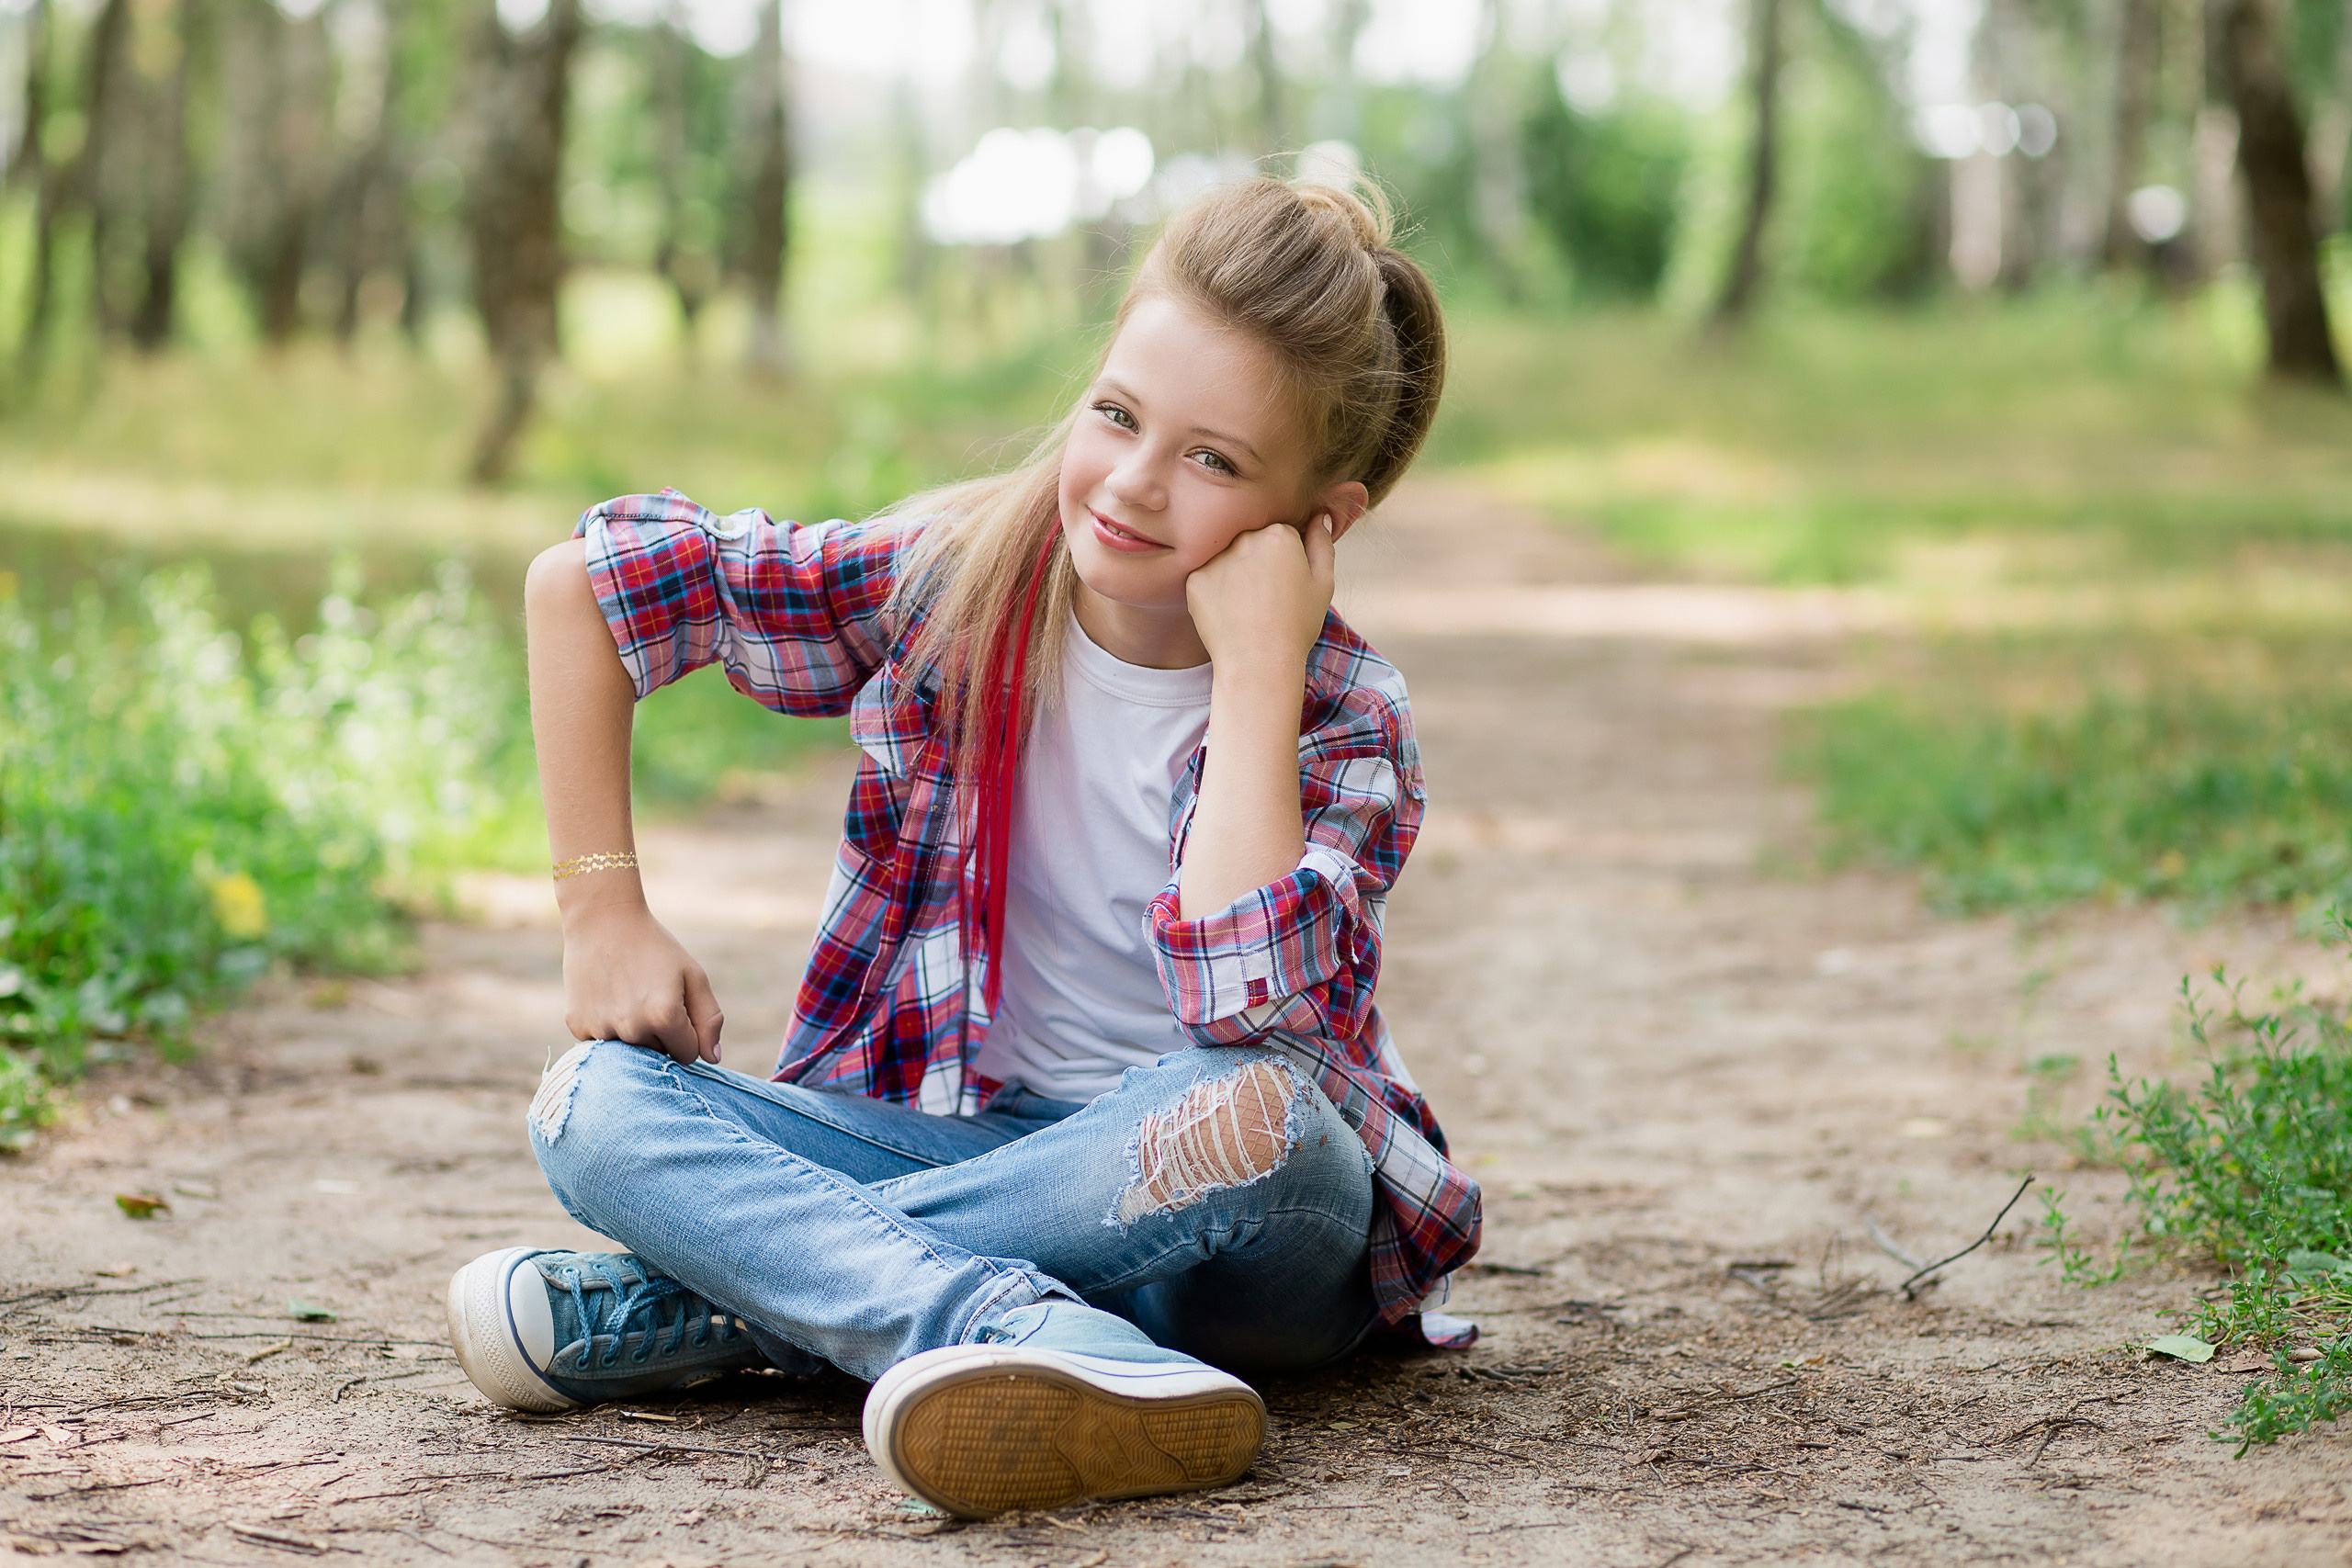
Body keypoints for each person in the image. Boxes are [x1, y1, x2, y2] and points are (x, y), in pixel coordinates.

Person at [442, 175, 1482, 1519]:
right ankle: (1032, 1332)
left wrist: (1257, 666)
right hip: (974, 1152)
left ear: (1321, 519)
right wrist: (601, 912)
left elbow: (1239, 1012)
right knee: (591, 1105)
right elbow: (586, 588)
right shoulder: (960, 580)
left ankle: (741, 1304)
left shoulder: (1344, 715)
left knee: (1256, 1121)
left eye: (1215, 462)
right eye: (1118, 416)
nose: (1134, 483)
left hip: (1243, 1241)